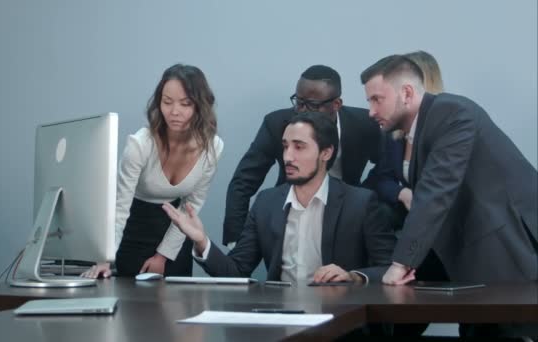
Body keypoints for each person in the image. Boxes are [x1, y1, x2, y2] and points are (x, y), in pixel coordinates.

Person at [361, 55, 538, 338]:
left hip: (504, 246)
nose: (370, 111)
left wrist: (400, 264)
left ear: (406, 93)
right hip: (468, 255)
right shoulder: (410, 132)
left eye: (376, 99)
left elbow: (435, 193)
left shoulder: (452, 112)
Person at [164, 112, 396, 285]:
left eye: (299, 147)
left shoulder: (360, 203)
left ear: (326, 153)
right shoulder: (267, 203)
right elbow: (236, 271)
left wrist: (353, 277)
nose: (288, 157)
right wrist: (201, 241)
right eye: (285, 147)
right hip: (282, 319)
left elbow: (388, 268)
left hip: (340, 320)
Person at [83, 64, 224, 278]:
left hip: (175, 235)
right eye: (167, 102)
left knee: (176, 307)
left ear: (200, 106)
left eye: (185, 104)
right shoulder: (140, 145)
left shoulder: (213, 148)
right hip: (134, 231)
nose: (174, 111)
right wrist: (105, 260)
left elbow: (191, 207)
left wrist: (162, 256)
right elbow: (120, 208)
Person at [223, 65, 382, 247]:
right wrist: (235, 241)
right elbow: (243, 181)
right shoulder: (276, 124)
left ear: (336, 104)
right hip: (292, 211)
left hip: (345, 216)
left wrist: (362, 194)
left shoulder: (364, 124)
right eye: (299, 102)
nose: (303, 111)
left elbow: (385, 169)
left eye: (313, 106)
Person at [372, 51, 444, 231]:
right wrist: (402, 193)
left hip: (440, 219)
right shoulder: (395, 128)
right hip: (408, 211)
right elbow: (381, 178)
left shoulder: (444, 127)